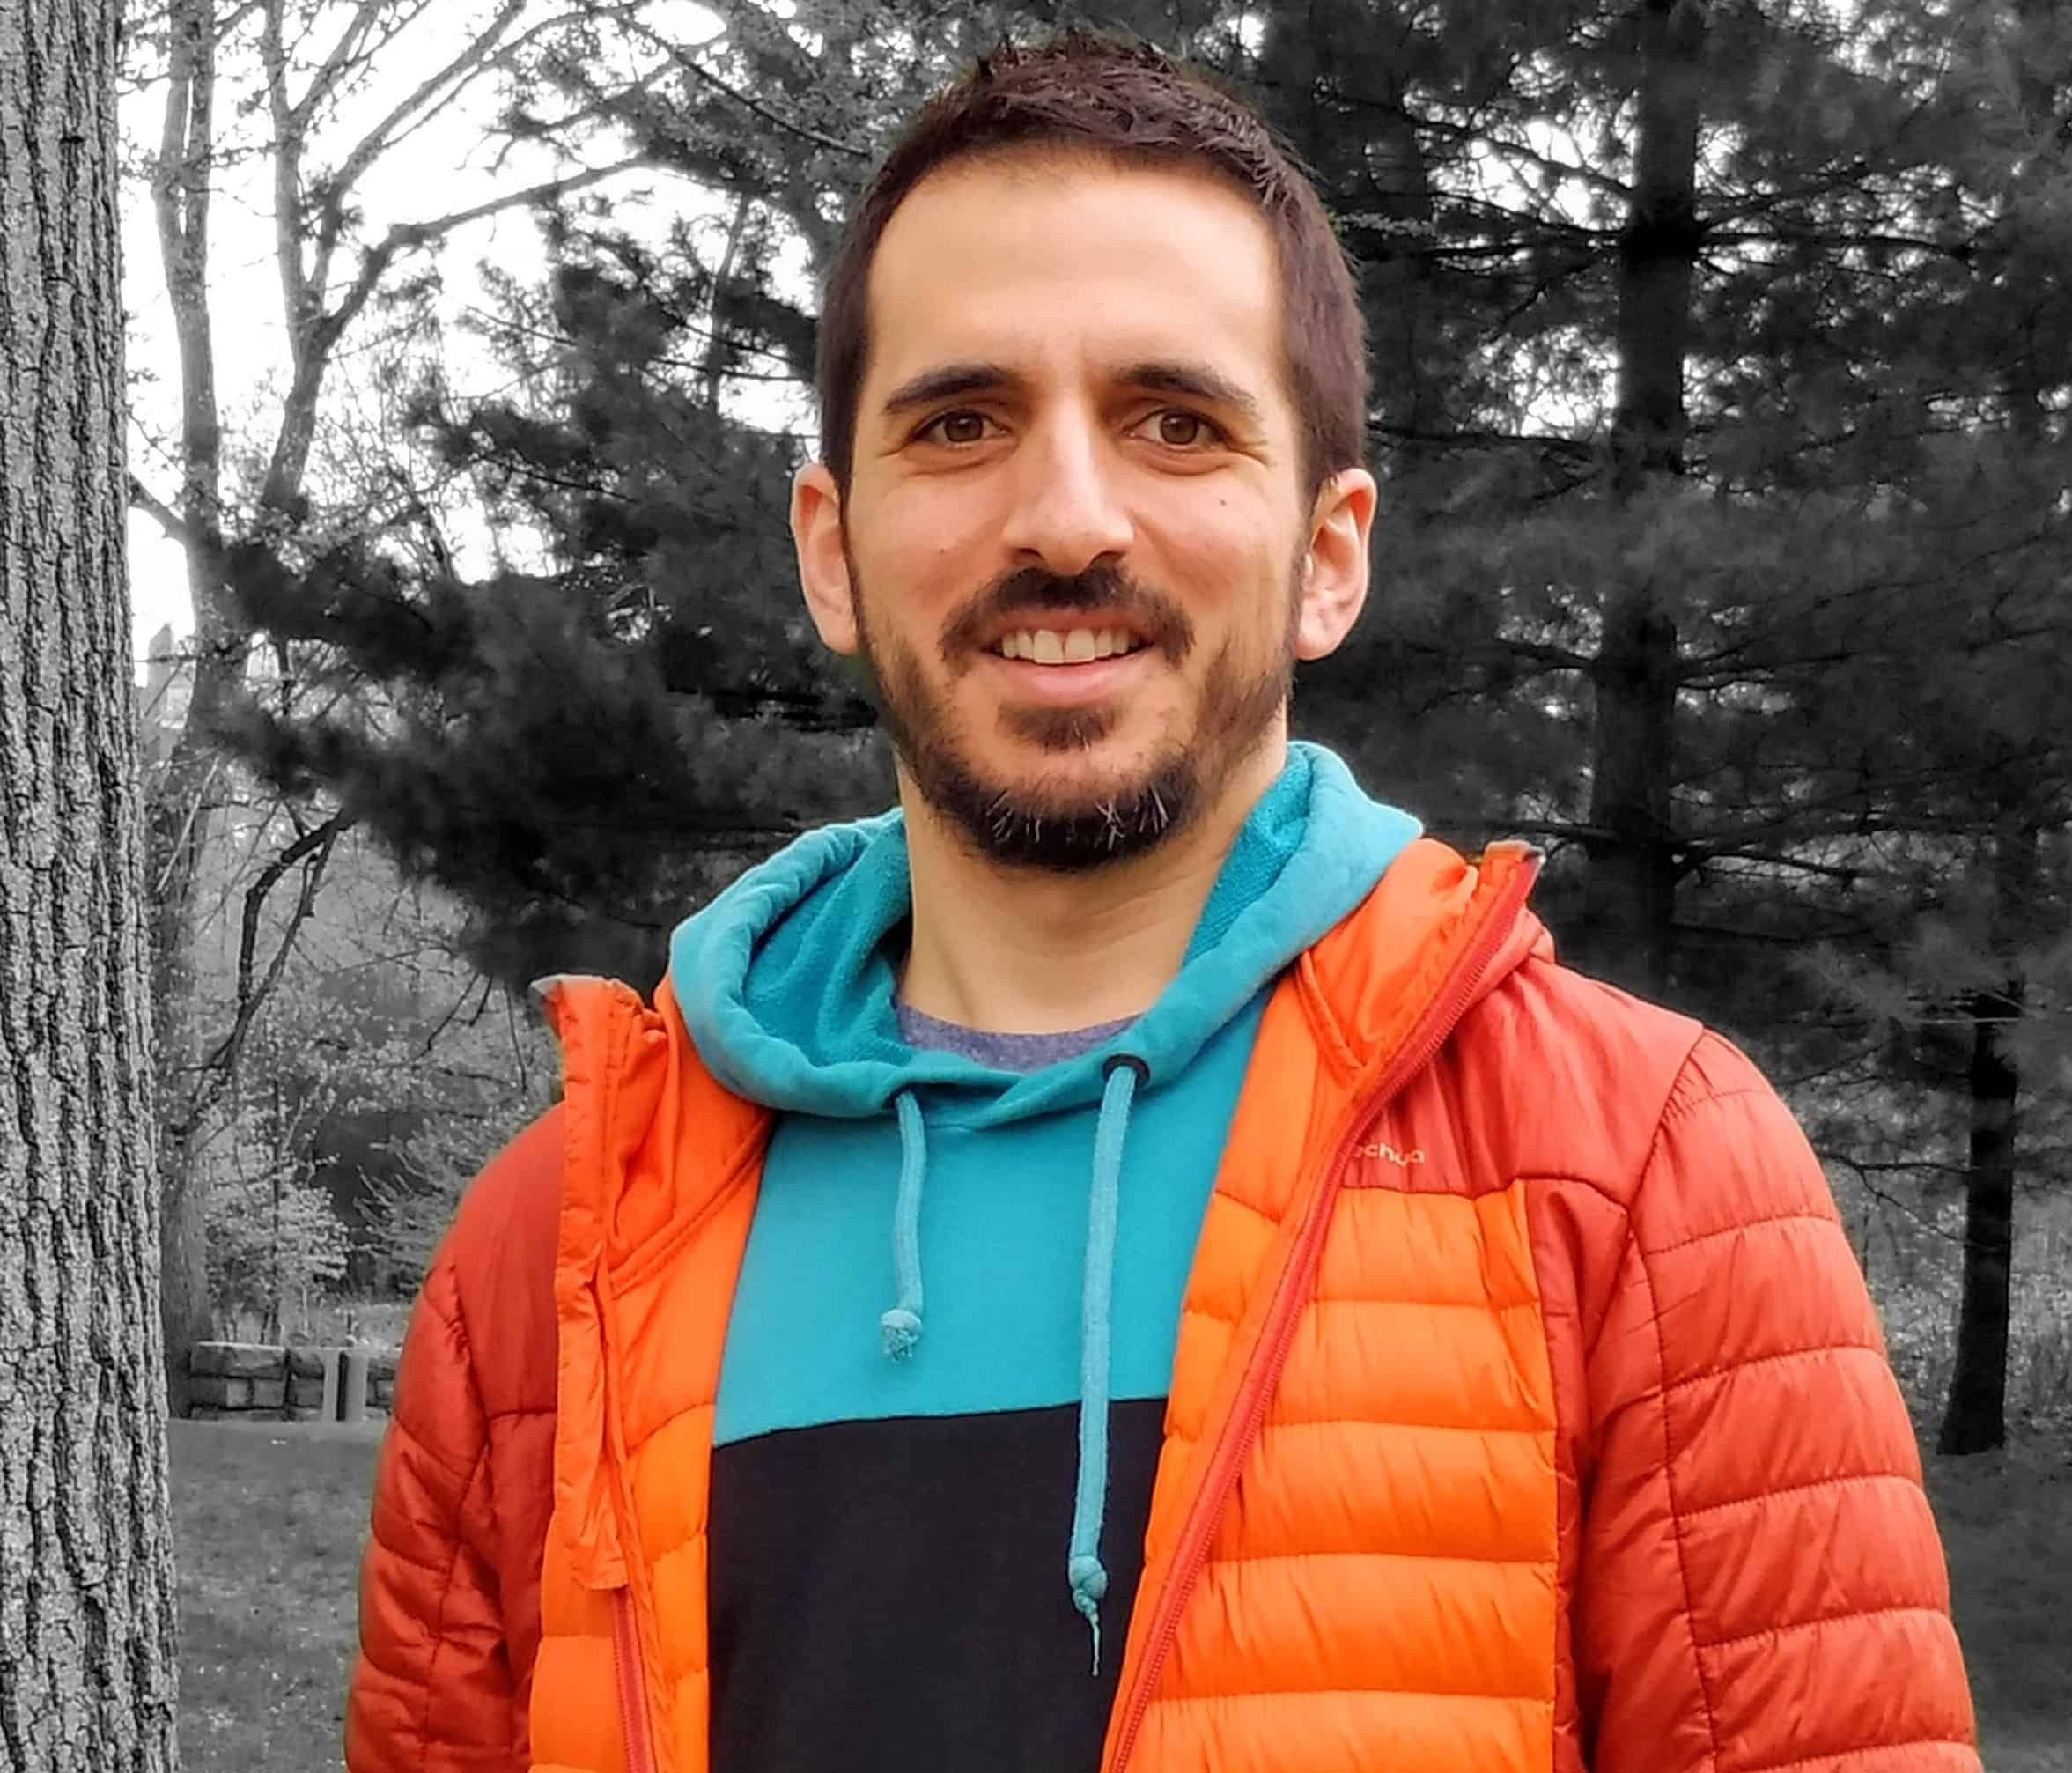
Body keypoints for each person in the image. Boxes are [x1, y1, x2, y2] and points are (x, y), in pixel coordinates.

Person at [344, 29, 1980, 1773]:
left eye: (1174, 422)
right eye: (960, 422)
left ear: (1326, 554)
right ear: (830, 547)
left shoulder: (1643, 1177)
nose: (1066, 520)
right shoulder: (551, 1256)